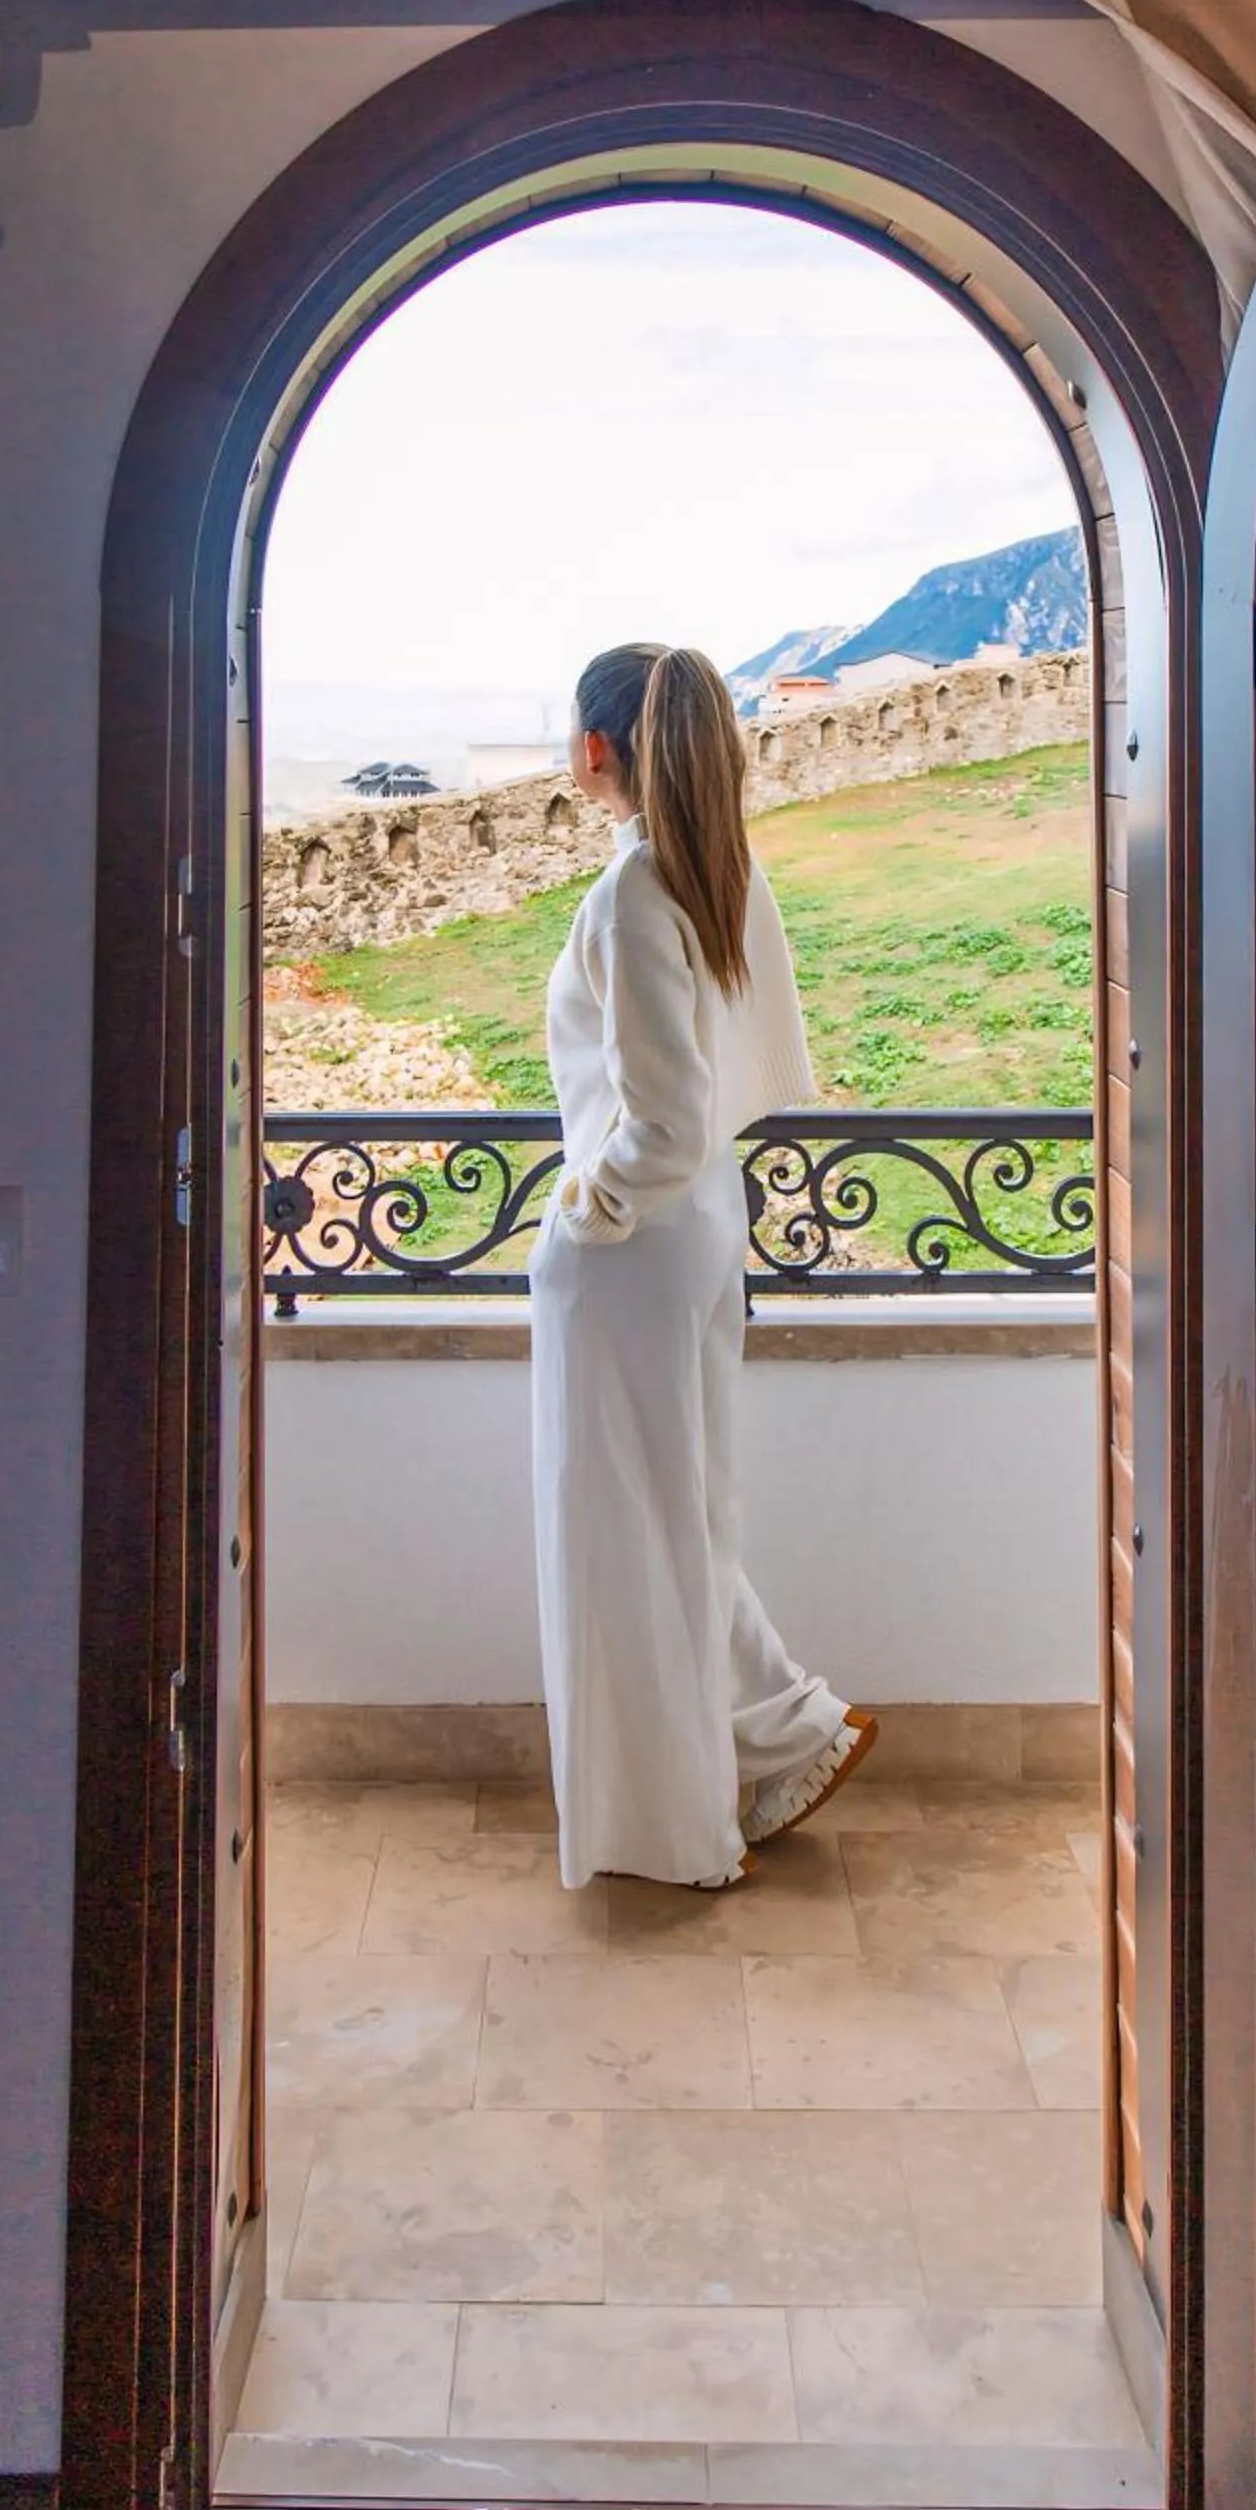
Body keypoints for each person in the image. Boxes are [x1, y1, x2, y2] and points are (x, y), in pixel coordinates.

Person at [527, 641, 878, 1890]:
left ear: (596, 749)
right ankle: (782, 1732)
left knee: (628, 1525)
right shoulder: (719, 871)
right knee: (678, 1510)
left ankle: (688, 1797)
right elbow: (727, 1098)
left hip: (634, 1247)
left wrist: (585, 1209)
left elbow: (660, 1123)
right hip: (701, 1232)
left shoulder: (632, 890)